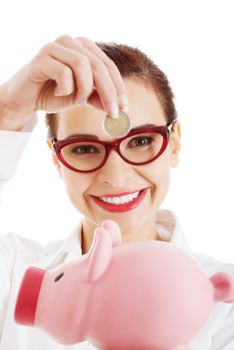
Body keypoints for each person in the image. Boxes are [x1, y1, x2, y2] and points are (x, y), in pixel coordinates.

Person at [0, 34, 233, 350]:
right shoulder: (15, 270)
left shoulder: (224, 306)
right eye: (84, 148)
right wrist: (8, 111)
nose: (116, 176)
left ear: (174, 143)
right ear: (57, 159)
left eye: (140, 141)